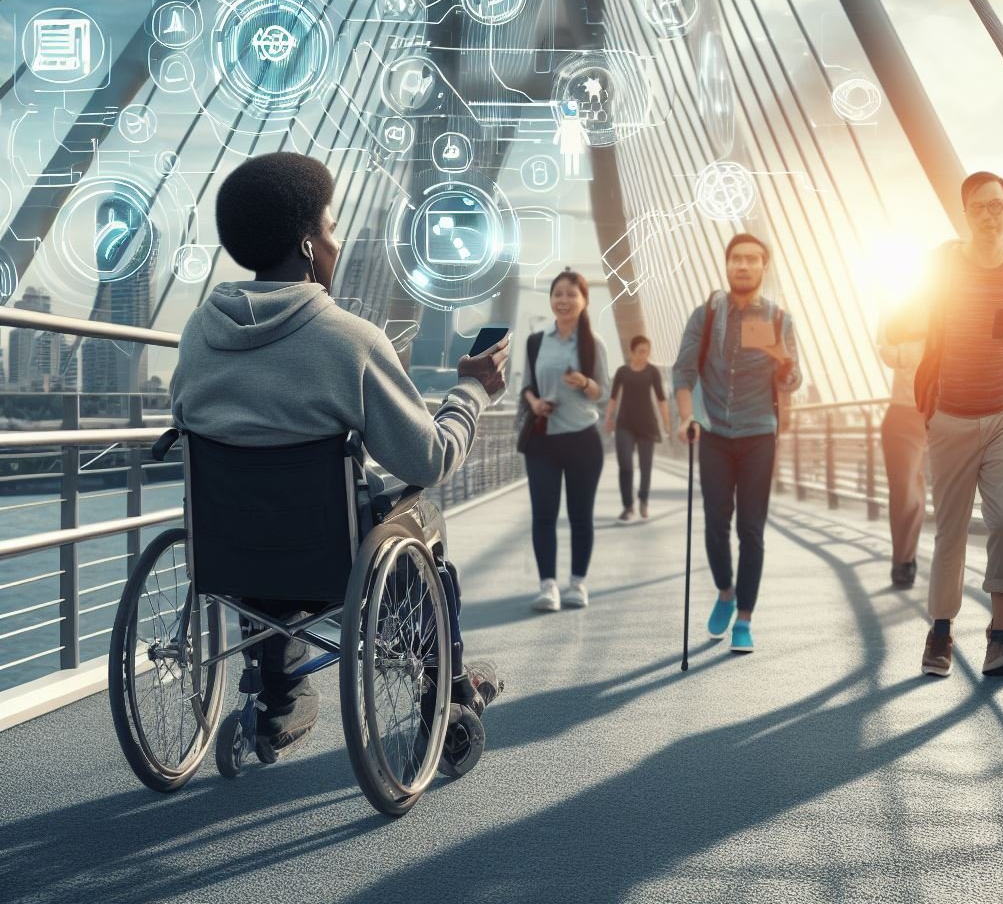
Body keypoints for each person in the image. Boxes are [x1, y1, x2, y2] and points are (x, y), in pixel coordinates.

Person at [170, 152, 508, 758]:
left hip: (231, 556)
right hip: (330, 564)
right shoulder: (349, 340)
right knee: (419, 515)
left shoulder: (198, 332)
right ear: (306, 246)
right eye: (329, 228)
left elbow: (185, 416)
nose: (336, 241)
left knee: (264, 517)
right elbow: (428, 459)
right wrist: (472, 391)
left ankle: (278, 696)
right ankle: (448, 693)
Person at [886, 171, 1003, 678]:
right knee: (951, 532)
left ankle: (998, 636)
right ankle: (940, 632)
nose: (991, 215)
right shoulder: (942, 263)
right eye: (981, 207)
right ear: (965, 212)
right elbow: (900, 320)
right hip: (950, 416)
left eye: (999, 206)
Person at [672, 233, 801, 653]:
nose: (743, 266)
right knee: (714, 525)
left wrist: (784, 361)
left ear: (765, 267)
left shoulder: (779, 320)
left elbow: (791, 381)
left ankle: (744, 619)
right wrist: (687, 415)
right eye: (736, 259)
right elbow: (684, 370)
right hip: (712, 431)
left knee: (751, 529)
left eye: (752, 260)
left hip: (759, 432)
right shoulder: (707, 314)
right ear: (727, 265)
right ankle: (725, 592)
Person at [520, 269, 609, 612]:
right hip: (543, 440)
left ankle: (577, 584)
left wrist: (584, 383)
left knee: (579, 515)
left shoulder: (593, 343)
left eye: (571, 294)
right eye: (558, 294)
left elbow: (602, 392)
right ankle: (547, 587)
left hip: (582, 441)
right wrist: (535, 404)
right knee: (543, 514)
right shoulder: (537, 341)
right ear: (551, 299)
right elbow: (527, 385)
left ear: (584, 300)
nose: (564, 300)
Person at [876, 315, 927, 589]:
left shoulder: (957, 301)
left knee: (950, 490)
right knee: (905, 485)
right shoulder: (898, 307)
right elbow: (889, 352)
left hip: (952, 408)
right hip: (905, 410)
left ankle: (949, 563)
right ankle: (904, 559)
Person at [605, 335, 670, 522]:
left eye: (647, 352)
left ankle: (643, 501)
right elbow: (613, 398)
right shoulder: (622, 372)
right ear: (632, 351)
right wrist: (609, 418)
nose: (644, 355)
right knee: (625, 465)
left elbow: (661, 399)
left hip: (647, 425)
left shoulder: (652, 372)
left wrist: (667, 424)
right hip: (625, 424)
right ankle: (628, 506)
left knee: (645, 466)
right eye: (640, 351)